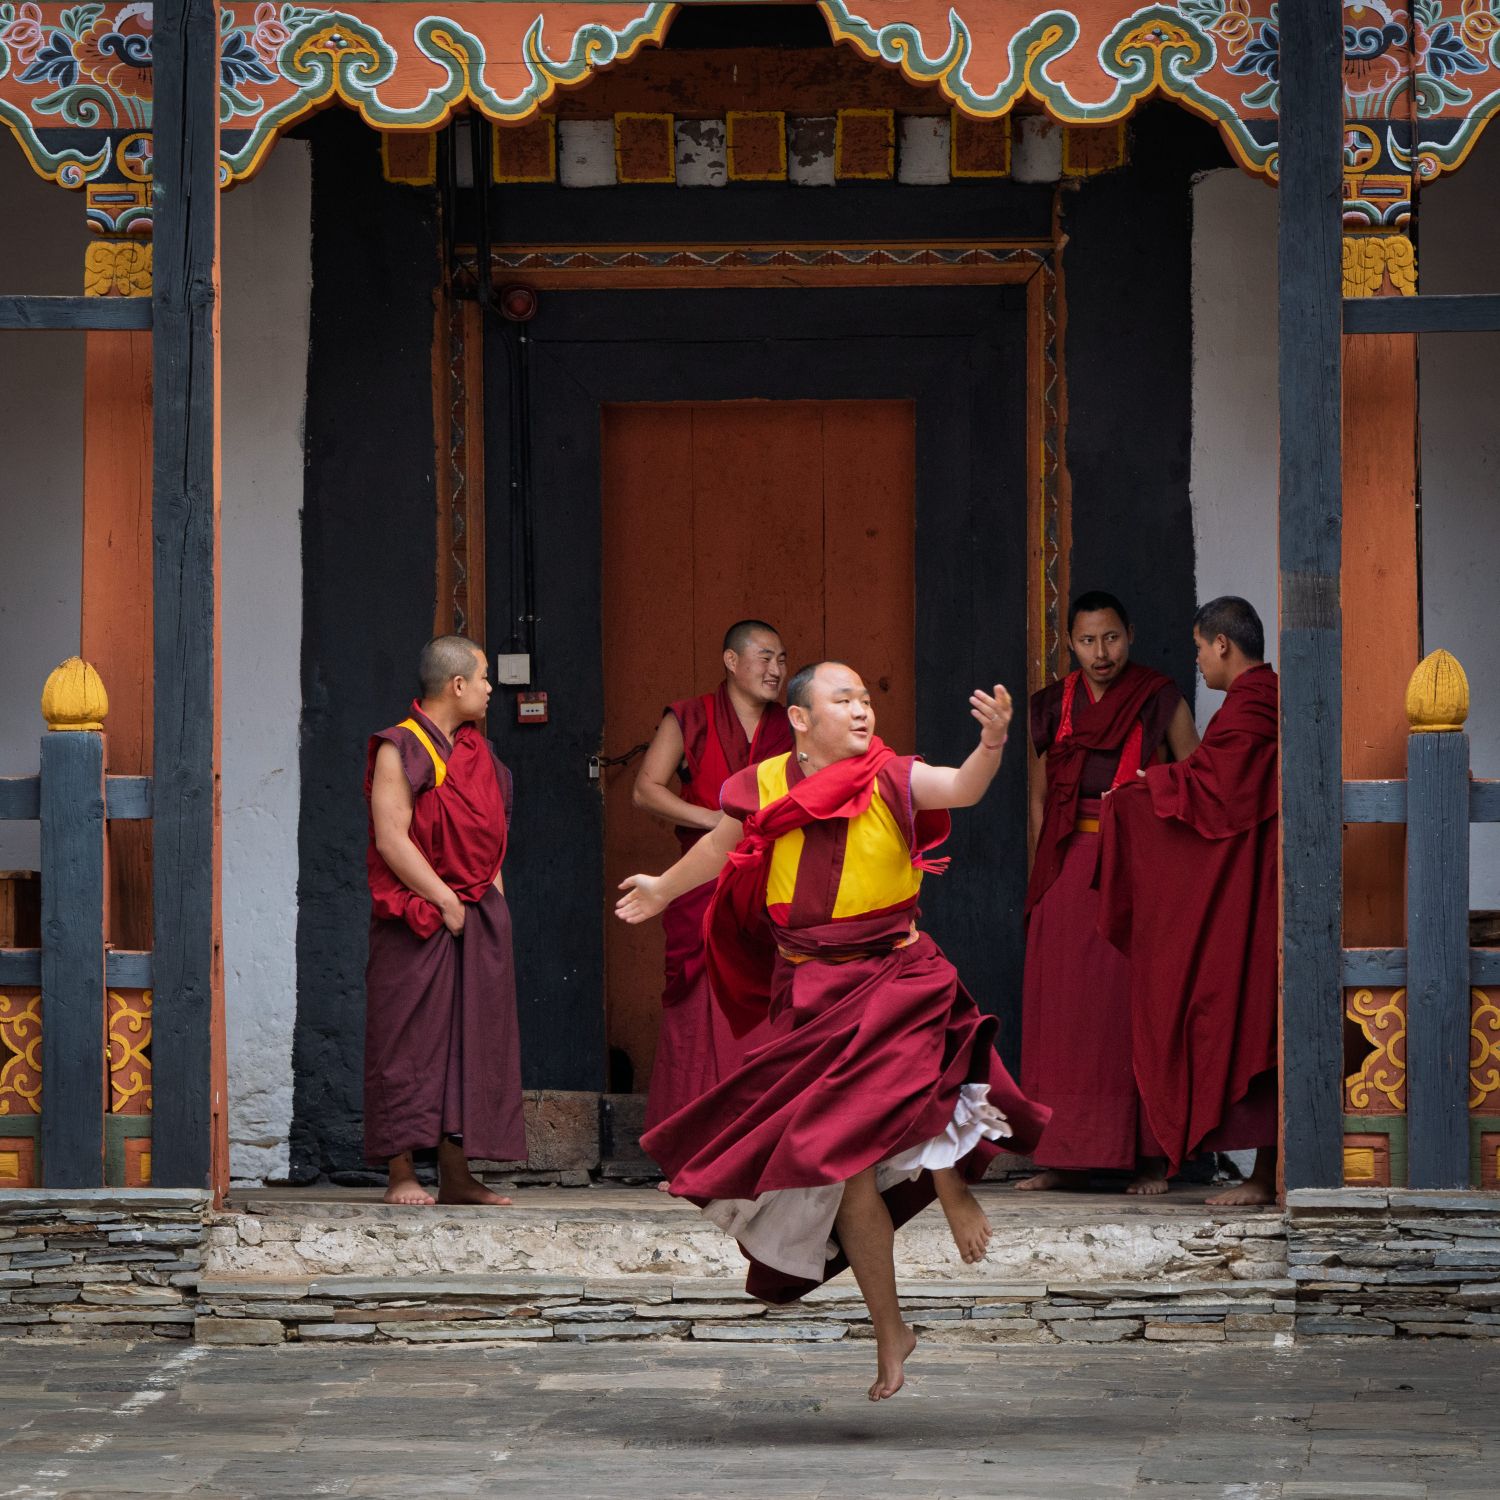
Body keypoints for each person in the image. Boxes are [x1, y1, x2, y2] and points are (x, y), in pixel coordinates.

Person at [617, 662, 1049, 1401]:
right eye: (841, 699)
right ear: (799, 719)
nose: (860, 709)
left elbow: (960, 788)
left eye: (865, 698)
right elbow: (722, 849)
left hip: (894, 972)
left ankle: (951, 1188)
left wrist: (991, 746)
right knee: (843, 1169)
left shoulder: (892, 776)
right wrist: (663, 887)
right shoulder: (763, 784)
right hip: (812, 990)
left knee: (918, 1080)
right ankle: (891, 1330)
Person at [1097, 596, 1279, 1207]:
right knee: (1254, 1017)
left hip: (1257, 888)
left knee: (1250, 1015)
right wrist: (1164, 783)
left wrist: (1141, 792)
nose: (1198, 661)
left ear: (1222, 644)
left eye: (1200, 648)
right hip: (1255, 880)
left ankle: (1265, 1177)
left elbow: (1216, 793)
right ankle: (1263, 1174)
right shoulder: (1257, 703)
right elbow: (1215, 786)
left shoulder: (1252, 706)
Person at [1018, 592, 1199, 1195]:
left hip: (1137, 867)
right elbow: (1040, 799)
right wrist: (1043, 878)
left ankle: (1148, 1157)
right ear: (1070, 643)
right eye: (1088, 641)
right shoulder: (1051, 706)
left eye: (1112, 638)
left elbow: (1198, 782)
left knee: (1131, 1008)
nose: (1102, 653)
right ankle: (1061, 1153)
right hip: (1067, 866)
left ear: (1131, 635)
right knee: (1063, 1009)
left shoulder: (1159, 698)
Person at [364, 635, 525, 1207]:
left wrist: (495, 914)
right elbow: (392, 839)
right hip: (416, 917)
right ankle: (401, 1172)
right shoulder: (400, 748)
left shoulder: (480, 755)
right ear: (457, 685)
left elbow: (491, 845)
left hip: (477, 917)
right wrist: (445, 902)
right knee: (406, 1042)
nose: (489, 688)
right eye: (483, 678)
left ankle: (456, 1175)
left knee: (469, 1043)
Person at [632, 621, 792, 1141]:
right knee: (696, 1011)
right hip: (700, 884)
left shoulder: (791, 723)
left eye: (782, 660)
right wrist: (718, 821)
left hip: (772, 885)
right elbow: (646, 790)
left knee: (769, 1007)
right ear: (730, 661)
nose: (776, 670)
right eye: (765, 657)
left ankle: (760, 1141)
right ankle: (689, 1143)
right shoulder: (689, 717)